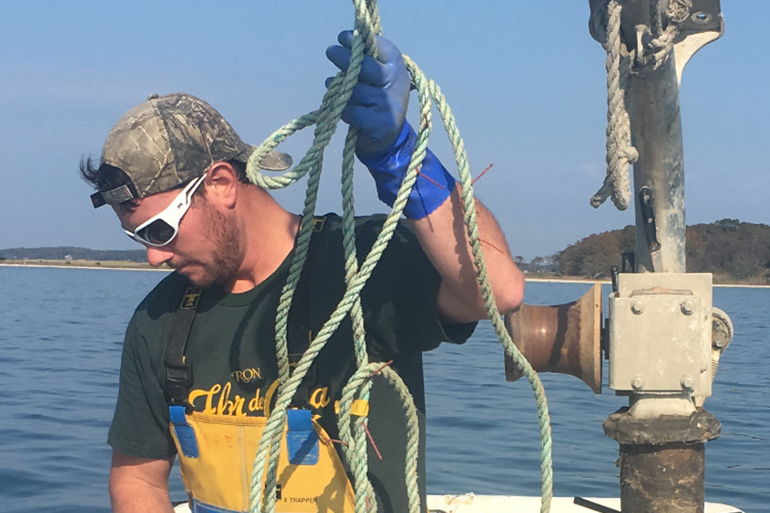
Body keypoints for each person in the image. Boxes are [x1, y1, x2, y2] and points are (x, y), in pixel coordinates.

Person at [82, 31, 524, 513]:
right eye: (140, 237)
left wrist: (398, 156)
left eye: (161, 230)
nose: (153, 257)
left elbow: (496, 290)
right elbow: (138, 482)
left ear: (223, 184)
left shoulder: (359, 262)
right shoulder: (160, 321)